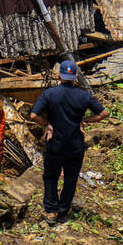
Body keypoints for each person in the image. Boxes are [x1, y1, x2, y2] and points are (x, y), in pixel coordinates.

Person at [30, 60, 108, 225]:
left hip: (55, 144)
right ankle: (63, 211)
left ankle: (51, 211)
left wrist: (47, 124)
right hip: (75, 146)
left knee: (51, 177)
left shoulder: (50, 94)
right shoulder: (83, 95)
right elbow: (103, 113)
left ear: (60, 75)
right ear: (75, 77)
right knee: (71, 179)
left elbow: (33, 115)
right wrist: (85, 120)